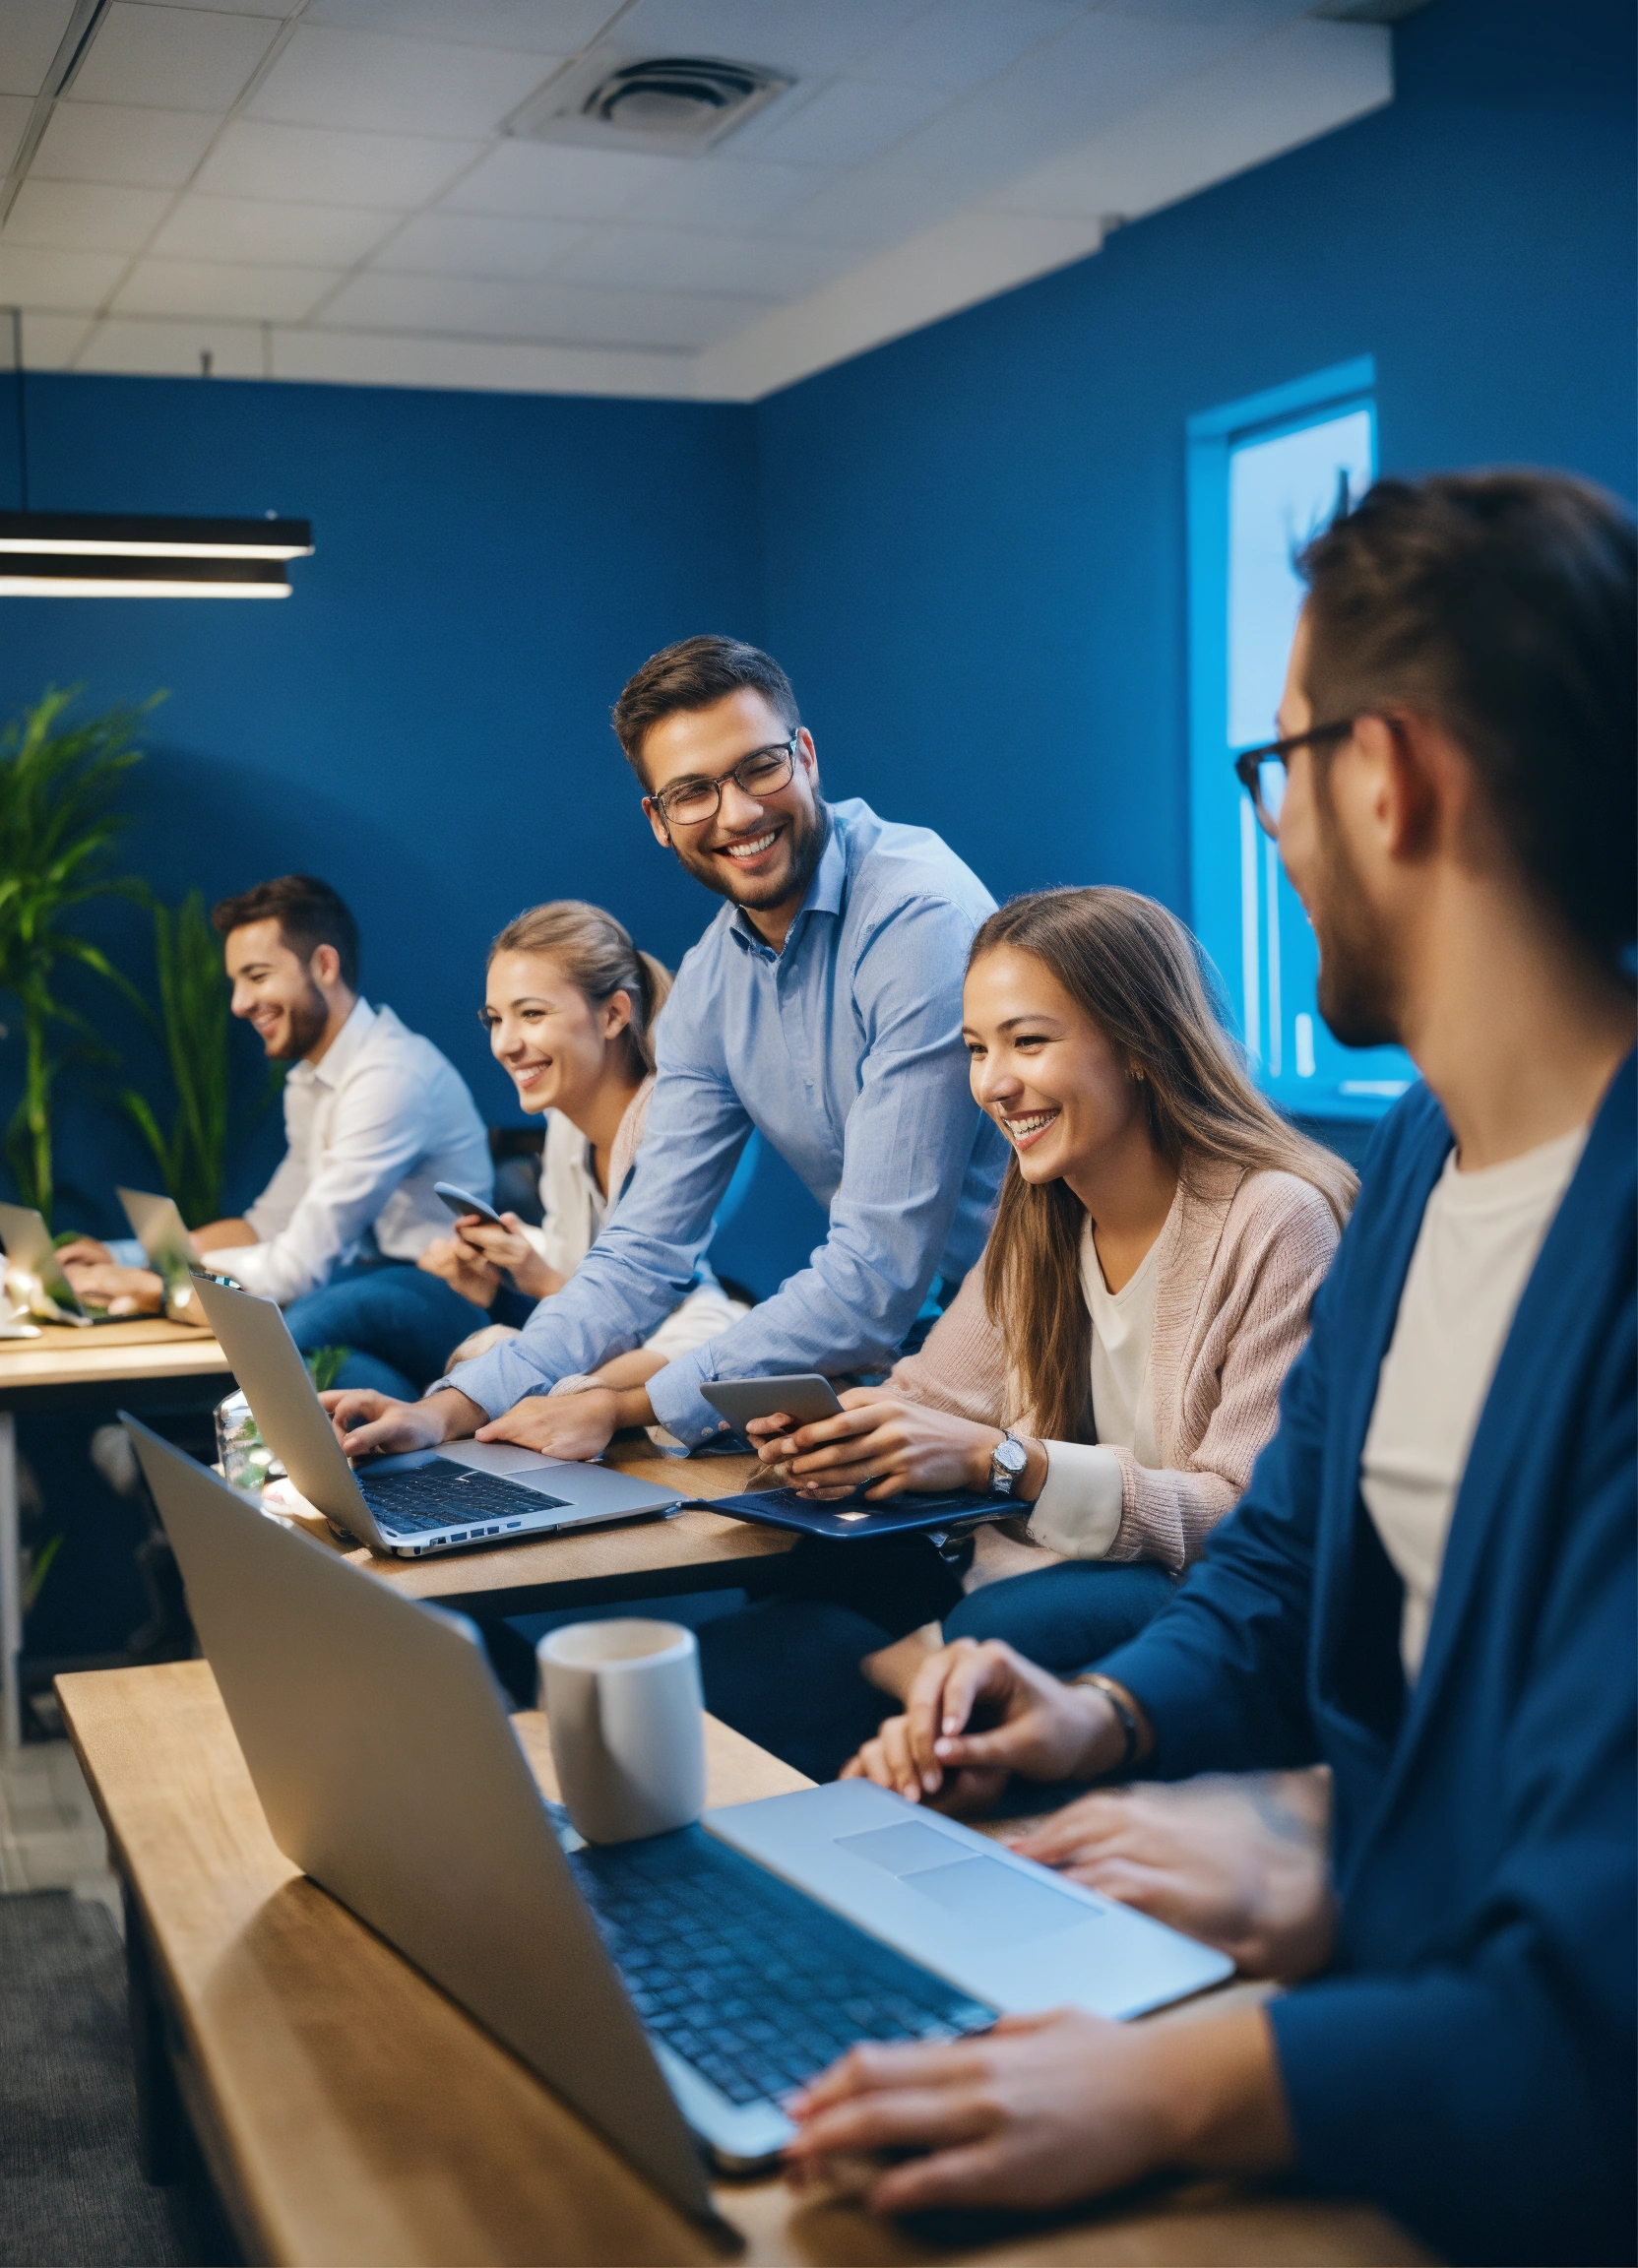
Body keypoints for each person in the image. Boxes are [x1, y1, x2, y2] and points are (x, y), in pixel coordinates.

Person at [789, 471, 1636, 2268]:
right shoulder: (1421, 1158)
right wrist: (1106, 1715)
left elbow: (1595, 1991)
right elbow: (1274, 1568)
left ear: (1387, 775)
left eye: (1279, 767)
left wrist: (1163, 2087)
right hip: (1389, 2003)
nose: (1269, 826)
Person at [698, 886, 1353, 1778]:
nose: (992, 1083)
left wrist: (1005, 1461)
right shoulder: (1041, 1207)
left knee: (1009, 1629)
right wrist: (845, 1431)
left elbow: (1245, 1514)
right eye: (977, 1049)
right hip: (1022, 1578)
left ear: (1139, 1044)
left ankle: (925, 1689)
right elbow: (934, 1395)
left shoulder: (1278, 1218)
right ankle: (912, 1698)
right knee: (770, 1605)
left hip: (1186, 1611)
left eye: (1028, 1041)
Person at [323, 637, 1006, 1480]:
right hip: (911, 1366)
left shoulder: (915, 916)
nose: (739, 813)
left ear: (807, 756)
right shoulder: (714, 981)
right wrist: (450, 1408)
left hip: (1042, 1359)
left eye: (759, 768)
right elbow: (641, 1252)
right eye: (692, 792)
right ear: (658, 820)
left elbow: (874, 1278)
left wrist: (622, 1406)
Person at [284, 901, 746, 1402]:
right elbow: (580, 1276)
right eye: (494, 1019)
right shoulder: (568, 1123)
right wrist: (516, 1265)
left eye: (531, 1014)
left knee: (310, 1329)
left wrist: (572, 1395)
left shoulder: (671, 1129)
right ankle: (407, 1440)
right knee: (334, 1371)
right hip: (567, 1338)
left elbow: (695, 1315)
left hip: (648, 1367)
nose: (504, 1044)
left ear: (613, 1014)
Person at [59, 875, 492, 1316]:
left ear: (324, 966)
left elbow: (296, 1267)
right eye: (236, 983)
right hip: (360, 1292)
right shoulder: (313, 1080)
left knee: (295, 1340)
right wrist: (126, 1258)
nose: (240, 1004)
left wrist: (160, 1284)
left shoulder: (390, 1077)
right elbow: (268, 1226)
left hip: (430, 1302)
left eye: (257, 976)